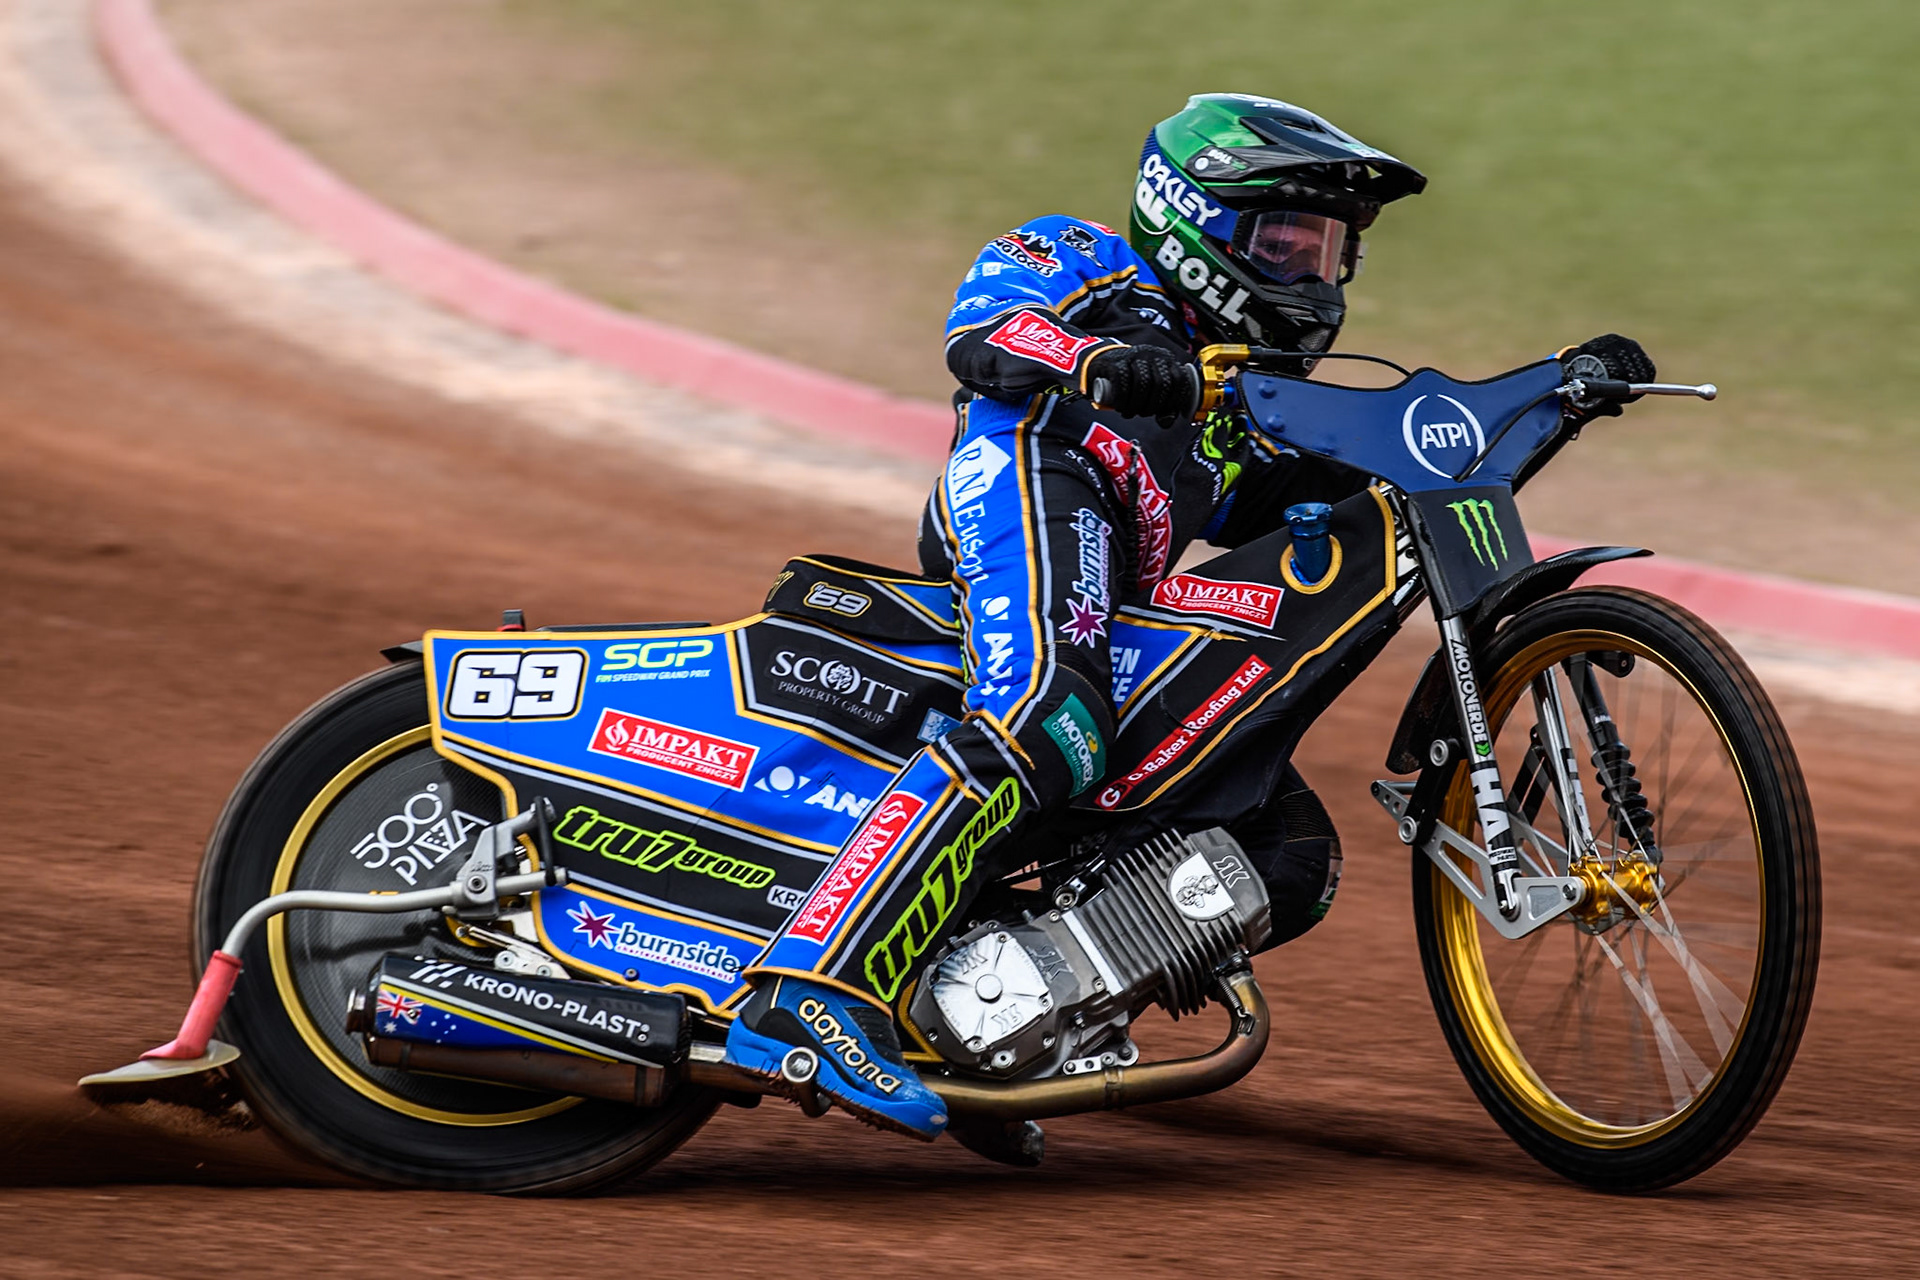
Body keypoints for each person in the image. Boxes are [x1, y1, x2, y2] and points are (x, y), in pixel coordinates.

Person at [722, 93, 1430, 1141]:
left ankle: (1006, 1016)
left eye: (1329, 249)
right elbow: (982, 334)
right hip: (1032, 468)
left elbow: (1299, 495)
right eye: (1285, 238)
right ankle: (808, 985)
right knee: (1052, 717)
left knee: (1286, 846)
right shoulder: (1083, 255)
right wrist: (1091, 361)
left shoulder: (1240, 396)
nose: (1312, 273)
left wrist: (1537, 406)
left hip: (1103, 562)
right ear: (1192, 218)